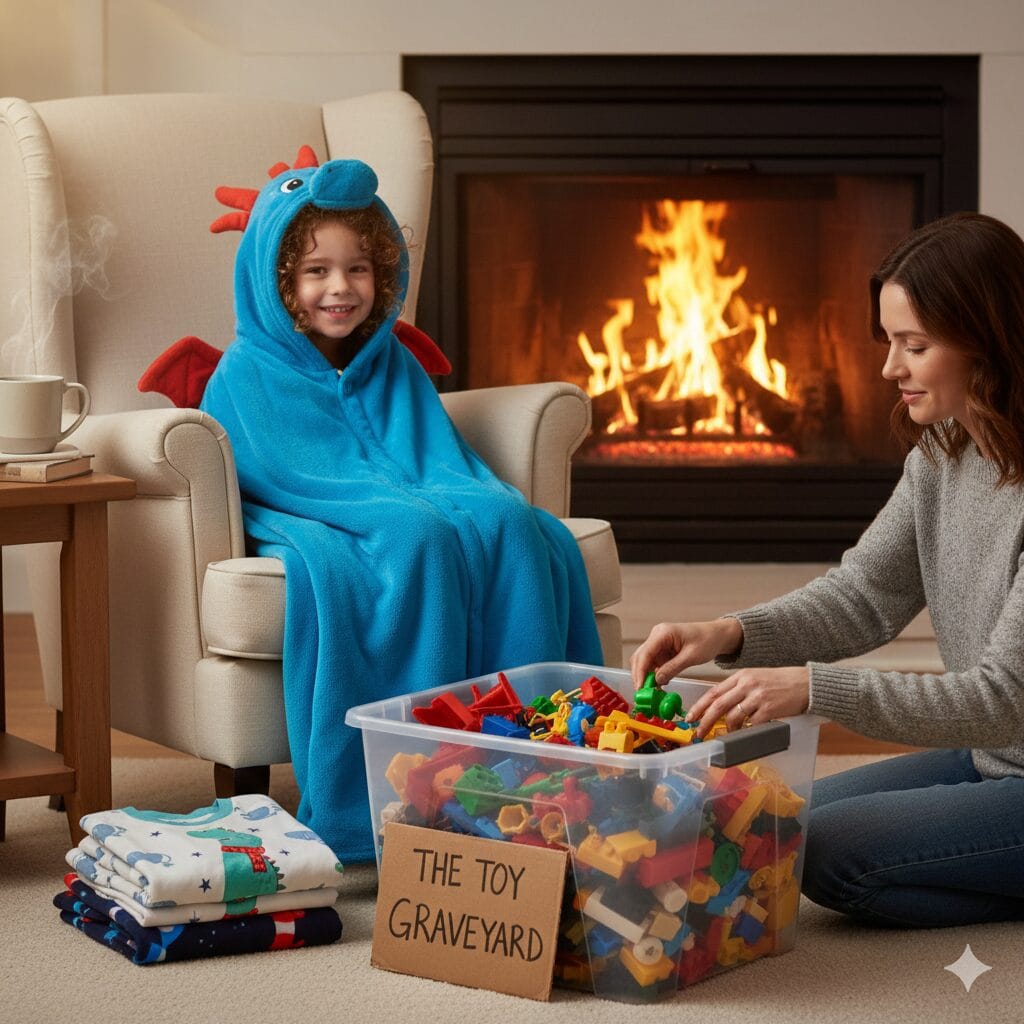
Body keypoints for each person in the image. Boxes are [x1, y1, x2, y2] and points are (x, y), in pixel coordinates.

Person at [200, 156, 602, 863]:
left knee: (511, 521)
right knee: (414, 533)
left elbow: (437, 460)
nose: (340, 288)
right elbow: (272, 473)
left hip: (421, 488)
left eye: (357, 269)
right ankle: (410, 788)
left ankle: (543, 768)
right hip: (325, 513)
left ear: (383, 275)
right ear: (278, 281)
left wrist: (442, 498)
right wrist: (383, 504)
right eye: (316, 271)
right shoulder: (245, 371)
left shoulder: (395, 365)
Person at [630, 211, 1024, 928]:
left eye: (916, 345)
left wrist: (812, 689)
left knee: (828, 856)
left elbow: (1004, 699)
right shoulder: (943, 452)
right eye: (889, 342)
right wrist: (724, 634)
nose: (889, 369)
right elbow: (864, 594)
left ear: (987, 342)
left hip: (1005, 741)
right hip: (993, 758)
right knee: (778, 823)